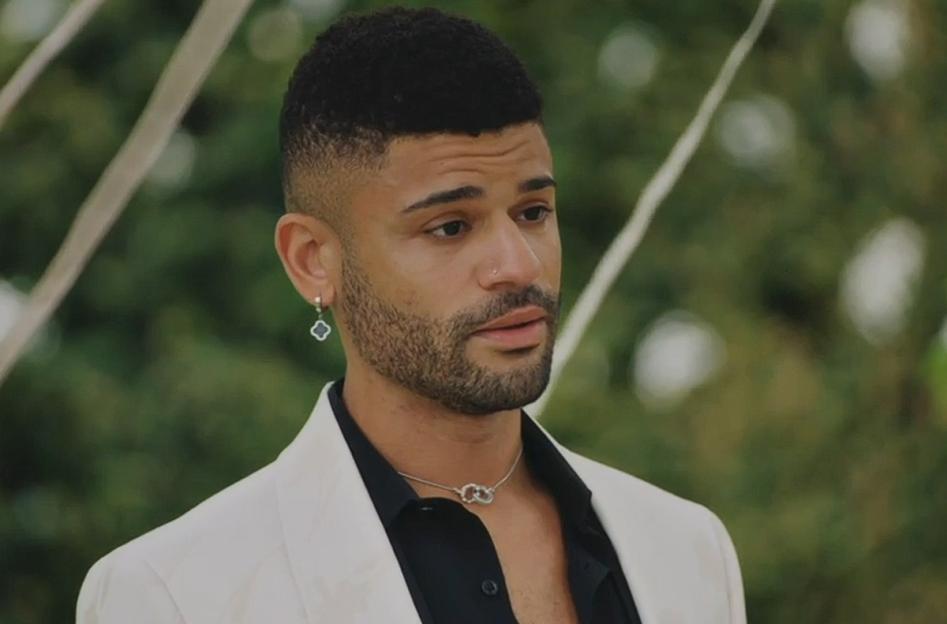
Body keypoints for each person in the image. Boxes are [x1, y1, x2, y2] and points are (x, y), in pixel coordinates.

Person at [77, 7, 745, 624]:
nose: (516, 265)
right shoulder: (175, 593)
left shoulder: (685, 550)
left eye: (533, 212)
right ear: (313, 260)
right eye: (450, 227)